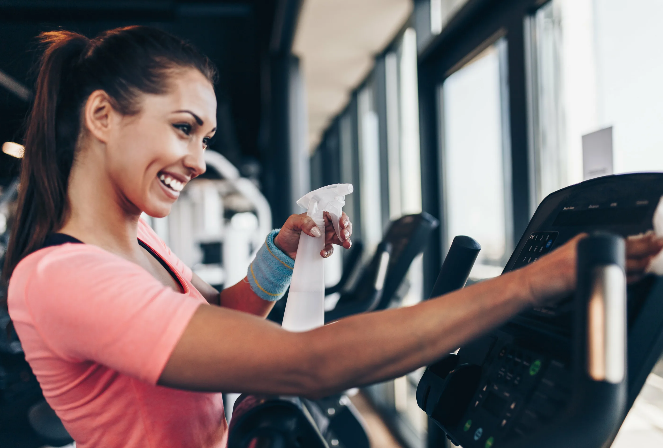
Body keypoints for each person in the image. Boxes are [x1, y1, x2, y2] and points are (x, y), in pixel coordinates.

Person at [1, 26, 661, 448]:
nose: (200, 161)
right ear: (101, 116)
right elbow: (308, 364)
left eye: (205, 138)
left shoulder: (137, 240)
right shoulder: (65, 278)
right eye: (183, 128)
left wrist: (283, 252)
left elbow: (214, 321)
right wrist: (532, 282)